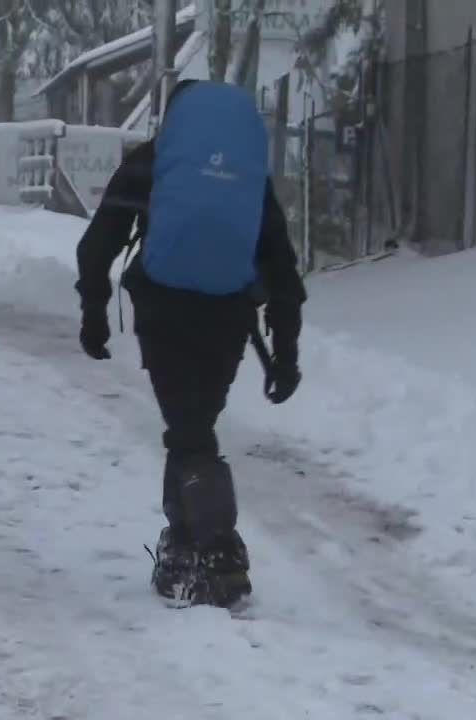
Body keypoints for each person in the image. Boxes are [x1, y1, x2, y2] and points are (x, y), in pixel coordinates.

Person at [74, 79, 306, 609]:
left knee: (190, 431)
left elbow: (97, 245)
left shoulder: (152, 162)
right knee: (191, 426)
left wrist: (94, 315)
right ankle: (181, 548)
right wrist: (285, 354)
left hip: (163, 310)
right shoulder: (247, 178)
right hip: (227, 316)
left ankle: (221, 554)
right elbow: (282, 267)